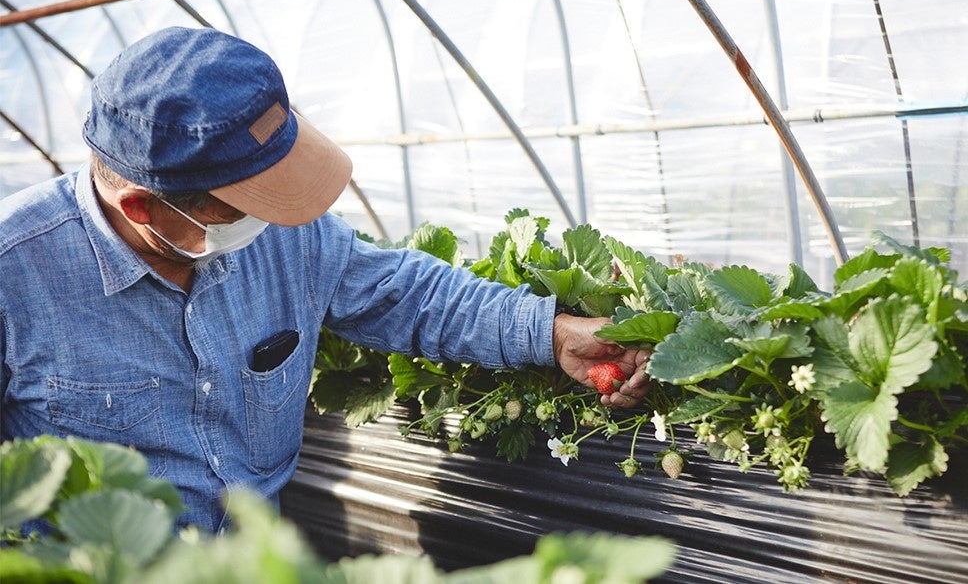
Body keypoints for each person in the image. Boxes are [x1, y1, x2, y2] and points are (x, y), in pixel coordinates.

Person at [0, 27, 651, 533]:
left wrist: (553, 332)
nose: (272, 219)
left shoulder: (291, 238)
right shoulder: (15, 273)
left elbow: (405, 294)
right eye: (244, 206)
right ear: (143, 207)